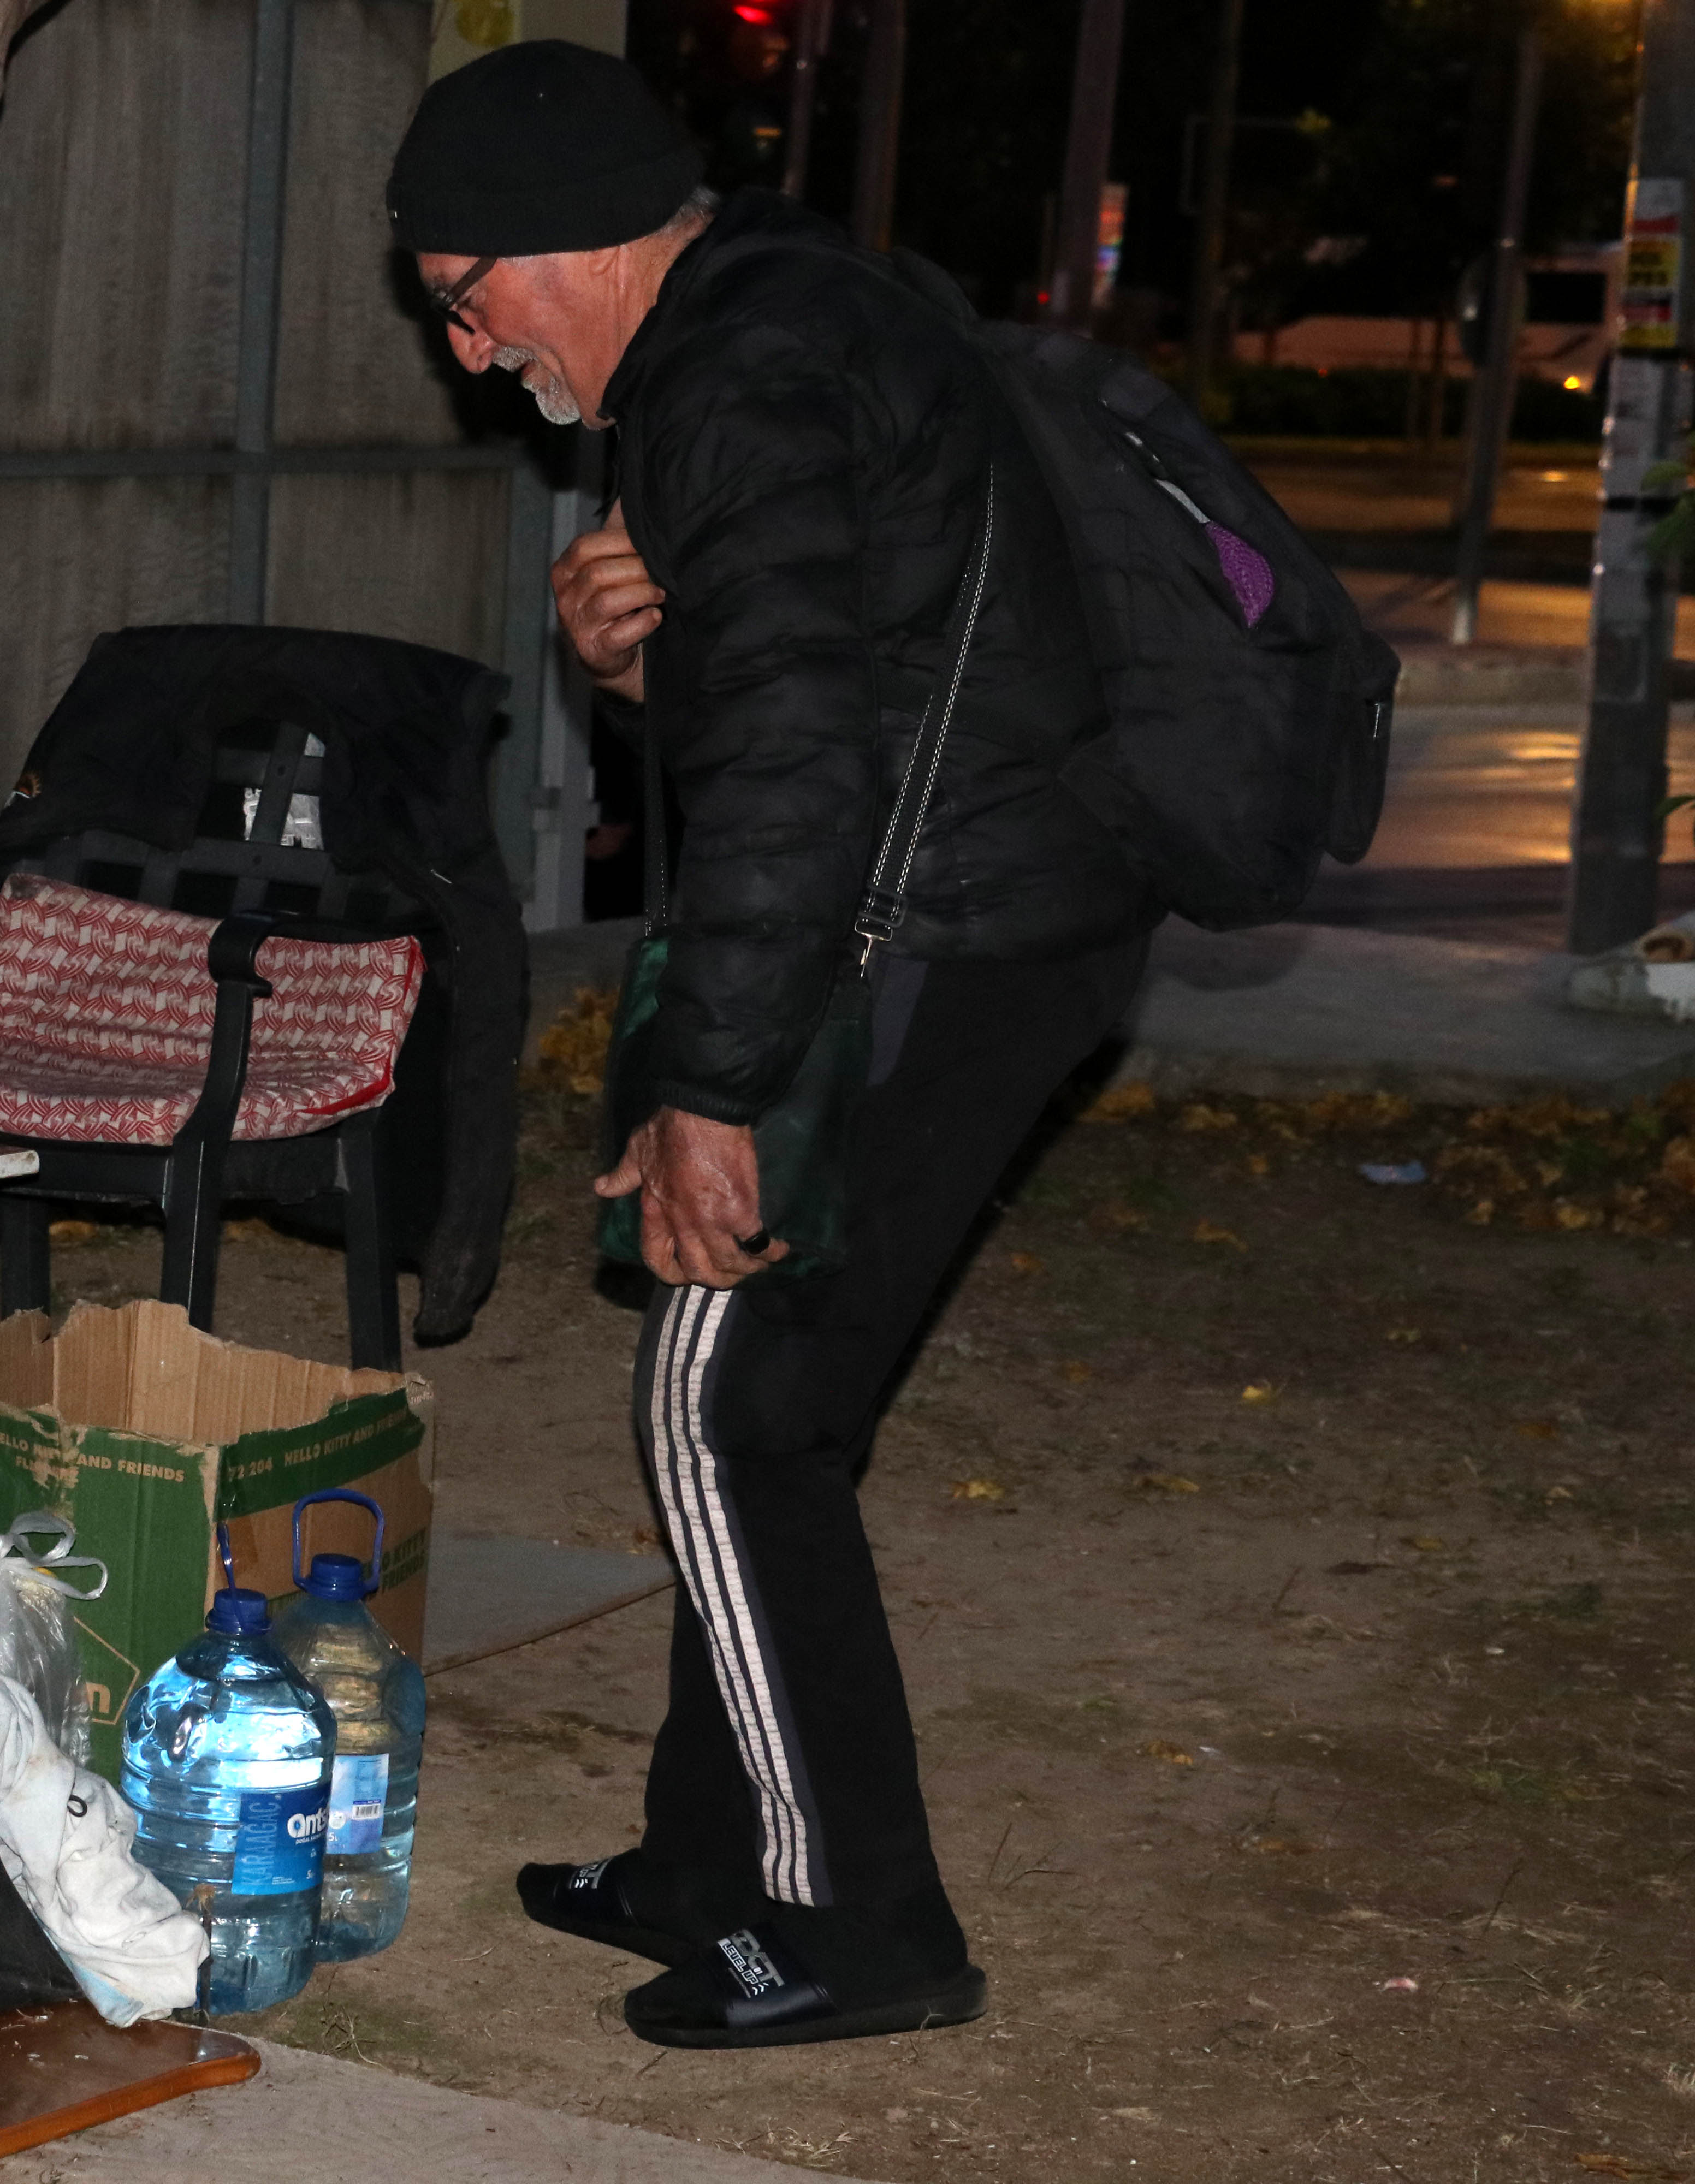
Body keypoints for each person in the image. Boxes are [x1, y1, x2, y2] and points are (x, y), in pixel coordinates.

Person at [387, 43, 1158, 2050]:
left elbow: (810, 770)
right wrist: (650, 657)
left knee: (730, 1409)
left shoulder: (731, 379)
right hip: (983, 919)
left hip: (928, 940)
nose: (471, 354)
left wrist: (716, 1088)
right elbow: (809, 686)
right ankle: (709, 1862)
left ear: (578, 241)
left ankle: (864, 1925)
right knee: (763, 1401)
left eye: (471, 294)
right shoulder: (800, 312)